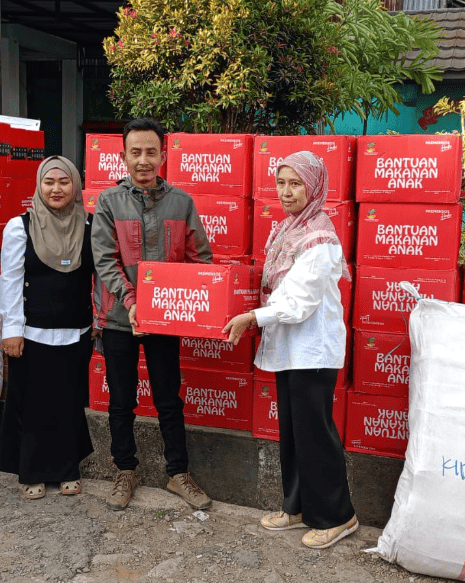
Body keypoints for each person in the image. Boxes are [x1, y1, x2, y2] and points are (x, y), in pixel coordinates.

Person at [222, 151, 358, 550]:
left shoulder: (319, 238)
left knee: (315, 434)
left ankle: (338, 516)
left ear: (314, 187)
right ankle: (297, 505)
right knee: (294, 433)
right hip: (290, 349)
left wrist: (252, 317)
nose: (286, 192)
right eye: (281, 183)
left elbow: (299, 302)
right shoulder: (288, 229)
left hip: (312, 350)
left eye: (295, 183)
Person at [91, 117, 213, 511]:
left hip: (165, 322)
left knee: (168, 399)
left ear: (164, 153)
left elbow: (199, 260)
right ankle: (125, 470)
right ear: (123, 156)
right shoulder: (109, 201)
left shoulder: (182, 202)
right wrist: (132, 302)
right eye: (135, 152)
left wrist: (196, 298)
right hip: (119, 320)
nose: (143, 160)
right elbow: (105, 261)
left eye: (151, 151)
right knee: (121, 400)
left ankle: (178, 473)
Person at [0, 156, 96, 499]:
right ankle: (31, 472)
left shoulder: (91, 225)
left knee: (68, 402)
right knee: (32, 403)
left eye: (64, 182)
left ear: (76, 185)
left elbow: (99, 278)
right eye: (49, 182)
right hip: (31, 333)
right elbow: (10, 280)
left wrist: (98, 319)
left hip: (76, 331)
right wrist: (11, 330)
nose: (56, 189)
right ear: (38, 185)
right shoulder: (20, 226)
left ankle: (68, 469)